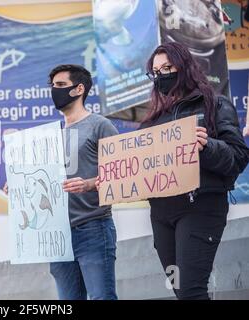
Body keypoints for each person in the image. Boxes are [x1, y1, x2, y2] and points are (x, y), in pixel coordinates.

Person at [97, 42, 249, 300]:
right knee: (181, 290)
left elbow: (238, 157)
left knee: (191, 290)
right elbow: (136, 166)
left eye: (167, 67)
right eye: (155, 72)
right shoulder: (152, 120)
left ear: (185, 66)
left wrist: (206, 146)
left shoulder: (215, 104)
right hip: (161, 217)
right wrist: (107, 178)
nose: (161, 75)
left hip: (200, 209)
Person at [5, 65, 119, 300]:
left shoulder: (100, 125)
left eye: (60, 86)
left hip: (93, 227)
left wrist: (88, 184)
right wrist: (18, 186)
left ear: (79, 89)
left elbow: (122, 175)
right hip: (57, 233)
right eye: (52, 86)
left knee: (101, 297)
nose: (54, 91)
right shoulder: (48, 136)